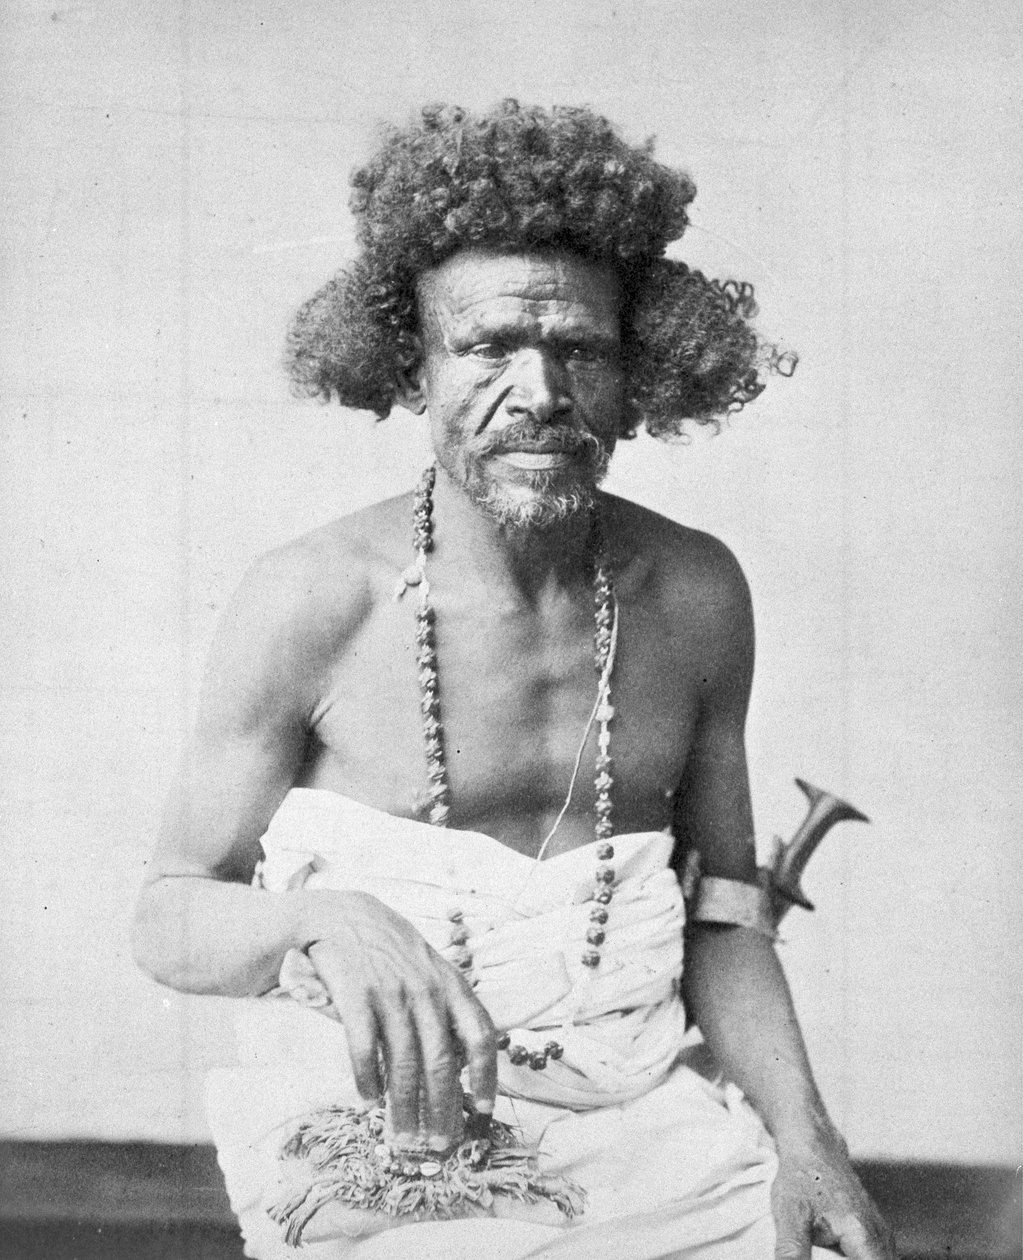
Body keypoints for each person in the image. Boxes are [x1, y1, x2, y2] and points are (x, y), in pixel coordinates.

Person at [133, 101, 895, 1260]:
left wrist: (808, 1142)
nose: (540, 390)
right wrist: (324, 919)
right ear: (414, 367)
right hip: (385, 1140)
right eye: (488, 346)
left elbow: (726, 915)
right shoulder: (309, 598)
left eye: (580, 348)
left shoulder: (696, 593)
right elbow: (167, 915)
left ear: (639, 371)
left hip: (652, 1123)